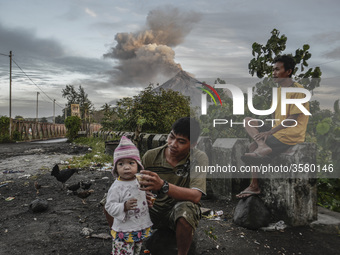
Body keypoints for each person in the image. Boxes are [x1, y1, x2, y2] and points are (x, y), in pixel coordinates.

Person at [236, 54, 310, 199]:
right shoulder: (277, 91)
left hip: (291, 133)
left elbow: (292, 119)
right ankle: (262, 147)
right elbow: (274, 116)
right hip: (277, 129)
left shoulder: (299, 91)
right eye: (273, 69)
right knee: (248, 120)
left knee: (252, 148)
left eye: (277, 69)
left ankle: (254, 186)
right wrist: (265, 131)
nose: (273, 73)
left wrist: (269, 132)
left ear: (288, 72)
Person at [139, 117, 208, 255]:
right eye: (171, 137)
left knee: (186, 210)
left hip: (175, 211)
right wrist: (141, 195)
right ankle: (122, 246)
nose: (173, 144)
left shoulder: (198, 158)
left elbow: (196, 196)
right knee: (111, 200)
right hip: (152, 210)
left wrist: (163, 185)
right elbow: (137, 186)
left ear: (193, 144)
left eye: (181, 141)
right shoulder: (150, 156)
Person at [105, 136, 153, 255]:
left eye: (131, 163)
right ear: (115, 168)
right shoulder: (117, 186)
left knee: (136, 251)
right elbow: (109, 206)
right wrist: (124, 206)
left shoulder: (139, 181)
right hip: (124, 229)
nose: (126, 167)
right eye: (121, 164)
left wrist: (148, 200)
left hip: (138, 227)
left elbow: (143, 196)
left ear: (138, 165)